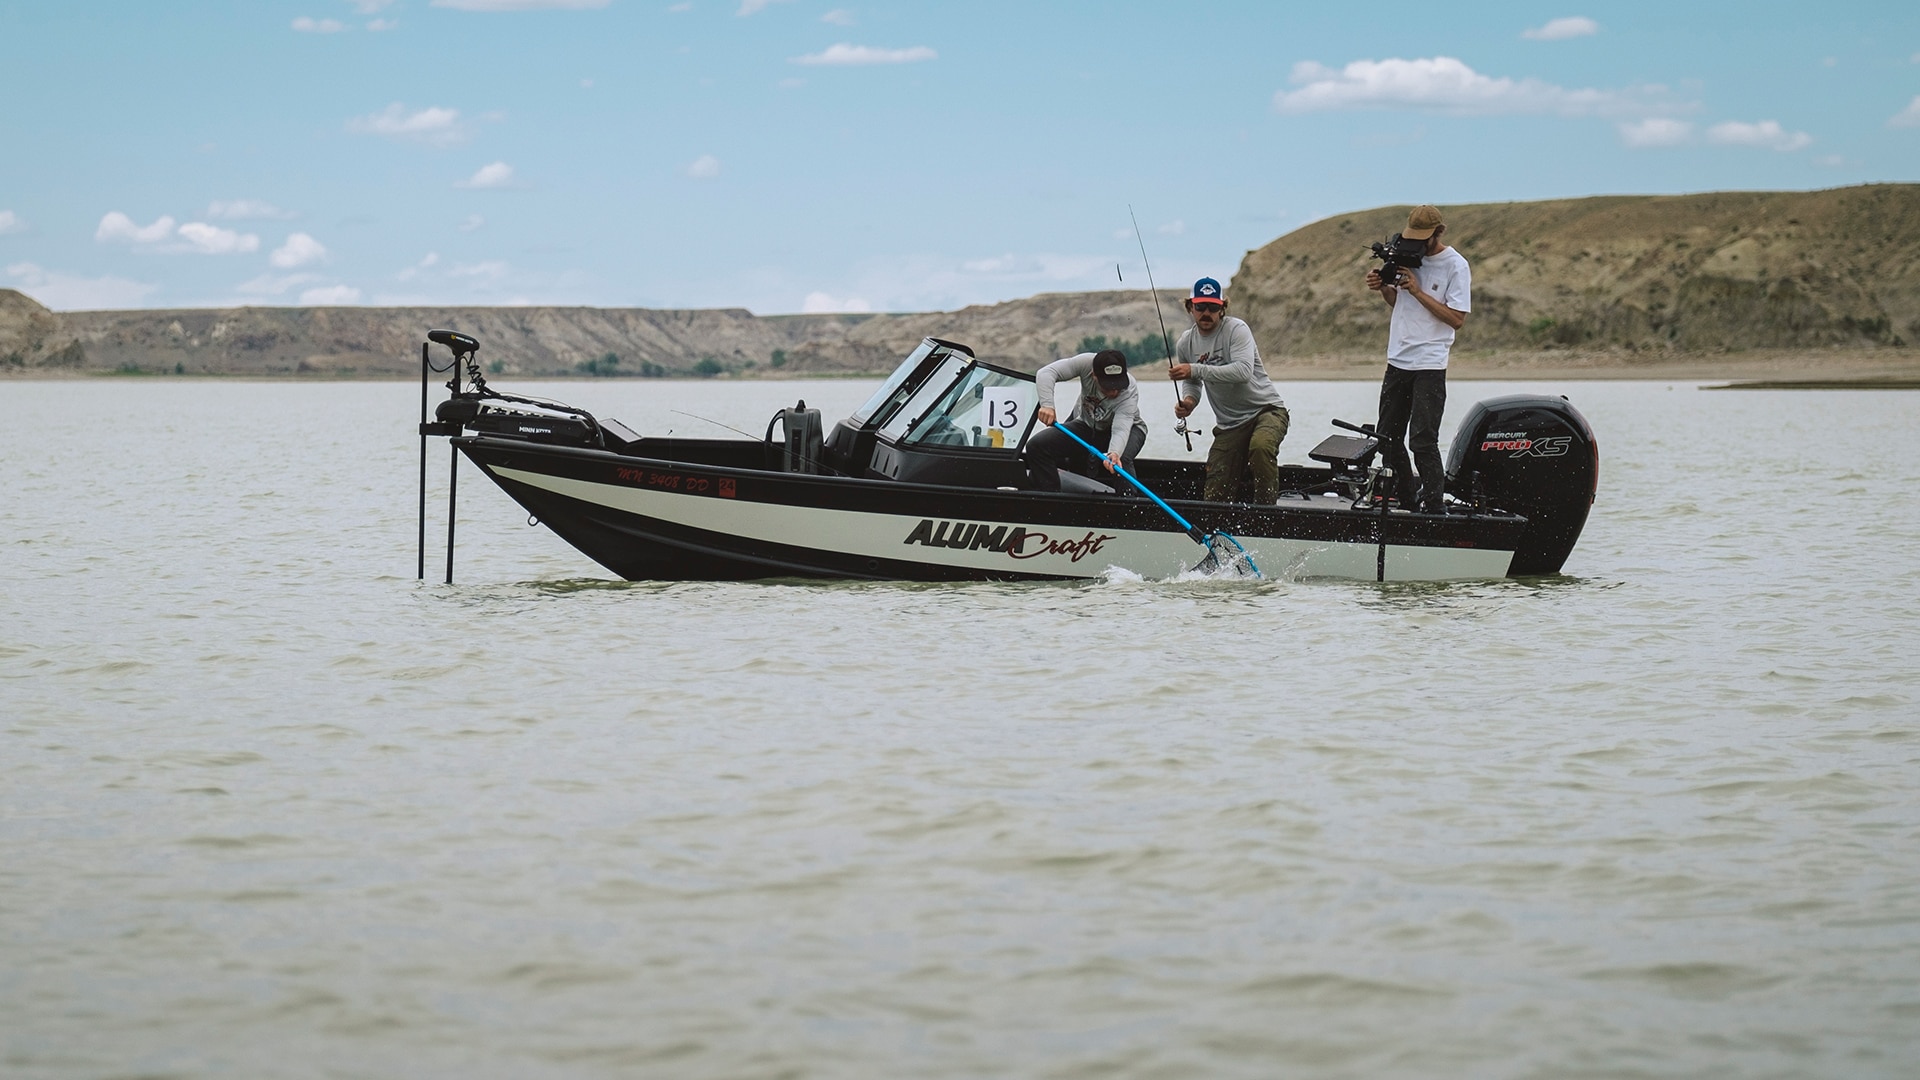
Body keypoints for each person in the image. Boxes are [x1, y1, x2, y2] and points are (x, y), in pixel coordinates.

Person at [1364, 204, 1471, 514]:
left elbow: (1456, 319)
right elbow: (1398, 303)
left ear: (1437, 233)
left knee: (1423, 441)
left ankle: (1436, 508)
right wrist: (1383, 287)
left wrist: (1418, 290)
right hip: (1397, 359)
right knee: (1387, 438)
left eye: (1423, 238)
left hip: (1430, 364)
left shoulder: (1455, 266)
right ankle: (1409, 500)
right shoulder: (1407, 257)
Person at [1168, 277, 1290, 503]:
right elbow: (1193, 383)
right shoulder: (1185, 343)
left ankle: (1267, 514)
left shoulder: (1237, 329)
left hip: (1267, 411)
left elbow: (1242, 372)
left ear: (1222, 308)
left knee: (1261, 447)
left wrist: (1195, 369)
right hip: (1229, 424)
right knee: (1216, 489)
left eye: (1213, 307)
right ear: (1190, 307)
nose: (1207, 313)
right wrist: (1189, 403)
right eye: (1200, 307)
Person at [1023, 348, 1147, 492]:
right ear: (1094, 375)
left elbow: (1121, 428)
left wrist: (1114, 453)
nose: (1114, 392)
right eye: (1108, 386)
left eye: (1118, 385)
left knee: (1121, 462)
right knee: (1037, 446)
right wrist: (1047, 405)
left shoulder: (1129, 391)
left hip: (1130, 429)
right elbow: (1045, 373)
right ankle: (1051, 500)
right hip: (1088, 425)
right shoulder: (1085, 363)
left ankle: (1130, 506)